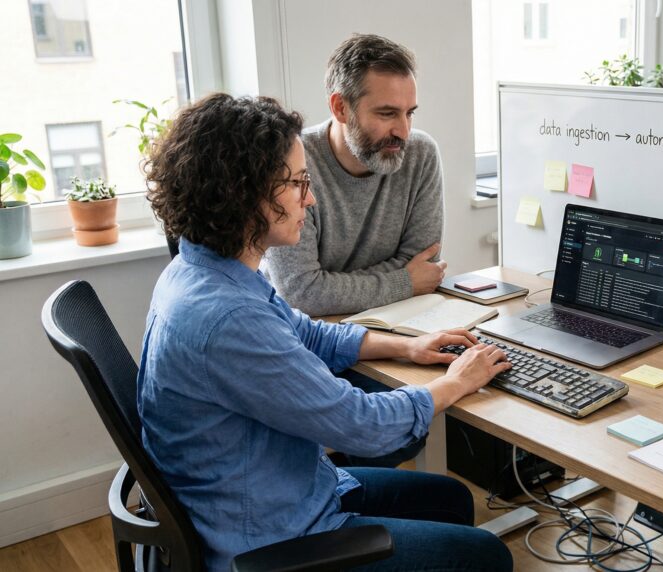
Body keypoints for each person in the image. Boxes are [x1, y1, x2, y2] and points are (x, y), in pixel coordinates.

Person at [141, 93, 513, 572]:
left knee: (449, 501)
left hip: (273, 487)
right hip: (269, 537)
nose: (310, 198)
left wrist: (407, 346)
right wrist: (457, 382)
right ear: (243, 193)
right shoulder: (228, 320)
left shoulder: (204, 267)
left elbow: (304, 332)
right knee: (485, 557)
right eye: (298, 184)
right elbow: (366, 426)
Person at [263, 33, 447, 317]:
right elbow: (300, 291)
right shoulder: (293, 161)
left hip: (395, 322)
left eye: (409, 113)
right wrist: (404, 281)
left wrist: (332, 285)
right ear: (340, 108)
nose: (403, 131)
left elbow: (425, 264)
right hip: (308, 333)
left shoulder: (420, 154)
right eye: (387, 114)